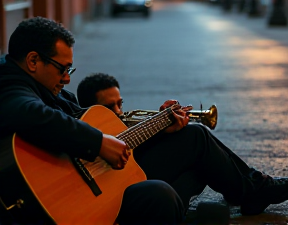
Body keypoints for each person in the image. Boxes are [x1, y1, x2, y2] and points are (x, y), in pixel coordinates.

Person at [0, 17, 186, 225]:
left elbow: (89, 122)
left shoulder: (43, 87)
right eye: (63, 69)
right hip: (65, 200)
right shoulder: (9, 86)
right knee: (160, 195)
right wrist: (98, 143)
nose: (67, 79)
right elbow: (31, 114)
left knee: (192, 139)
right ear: (33, 61)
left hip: (93, 183)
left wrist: (156, 125)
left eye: (70, 71)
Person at [77, 73, 288, 217]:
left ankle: (253, 189)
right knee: (196, 136)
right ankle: (255, 190)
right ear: (91, 111)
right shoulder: (87, 128)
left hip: (130, 176)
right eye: (109, 107)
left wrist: (159, 126)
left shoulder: (117, 122)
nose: (119, 112)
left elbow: (135, 147)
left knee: (202, 164)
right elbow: (126, 153)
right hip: (116, 183)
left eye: (119, 104)